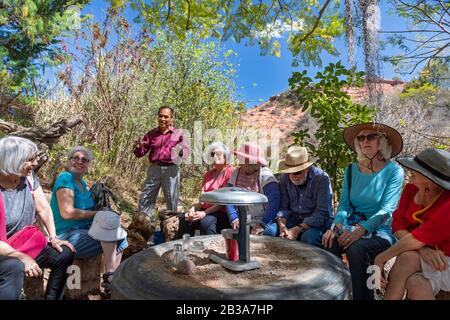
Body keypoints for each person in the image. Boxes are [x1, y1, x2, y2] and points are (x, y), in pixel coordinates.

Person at [321, 122, 404, 300]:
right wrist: (335, 227)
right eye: (361, 138)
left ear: (382, 141)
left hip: (381, 231)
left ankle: (364, 296)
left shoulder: (394, 171)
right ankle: (337, 293)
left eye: (371, 137)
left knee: (357, 249)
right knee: (329, 241)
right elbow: (344, 205)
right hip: (351, 225)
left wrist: (361, 231)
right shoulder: (351, 170)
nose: (365, 141)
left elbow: (387, 210)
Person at [0, 136, 75, 300]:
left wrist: (54, 237)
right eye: (30, 159)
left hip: (25, 242)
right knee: (14, 266)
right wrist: (20, 256)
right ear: (13, 160)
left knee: (64, 253)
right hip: (4, 249)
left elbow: (43, 208)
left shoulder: (29, 178)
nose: (35, 163)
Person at [50, 146, 128, 296]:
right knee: (109, 230)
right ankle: (110, 277)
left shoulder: (84, 184)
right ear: (68, 161)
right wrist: (97, 214)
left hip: (84, 231)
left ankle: (110, 278)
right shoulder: (65, 178)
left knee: (122, 236)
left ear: (88, 165)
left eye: (84, 160)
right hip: (66, 235)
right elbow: (67, 213)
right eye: (75, 158)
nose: (80, 162)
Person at [374, 148, 450, 300]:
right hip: (428, 257)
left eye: (415, 172)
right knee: (416, 283)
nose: (409, 175)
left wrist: (379, 259)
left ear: (430, 180)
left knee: (407, 258)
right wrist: (423, 249)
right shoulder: (411, 189)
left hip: (445, 260)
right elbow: (397, 225)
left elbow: (419, 238)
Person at [264, 145, 333, 247]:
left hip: (316, 223)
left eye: (297, 172)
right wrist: (282, 225)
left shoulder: (321, 178)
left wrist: (299, 229)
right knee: (270, 232)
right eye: (289, 172)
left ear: (307, 168)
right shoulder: (284, 178)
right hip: (294, 219)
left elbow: (322, 213)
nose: (292, 176)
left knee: (308, 238)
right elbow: (284, 207)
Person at [133, 106, 190, 217]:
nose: (163, 119)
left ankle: (171, 229)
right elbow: (140, 153)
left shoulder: (178, 134)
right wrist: (138, 147)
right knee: (145, 198)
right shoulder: (151, 134)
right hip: (154, 169)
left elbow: (186, 153)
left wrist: (181, 151)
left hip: (171, 171)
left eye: (166, 116)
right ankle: (143, 228)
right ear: (157, 117)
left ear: (171, 119)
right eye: (160, 116)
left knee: (171, 202)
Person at [179, 142, 235, 236]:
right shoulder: (208, 175)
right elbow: (202, 199)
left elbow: (223, 202)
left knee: (206, 222)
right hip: (206, 209)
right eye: (213, 154)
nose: (215, 156)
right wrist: (192, 209)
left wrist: (204, 213)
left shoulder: (231, 172)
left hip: (223, 211)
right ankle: (185, 247)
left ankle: (209, 249)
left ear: (226, 156)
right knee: (184, 219)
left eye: (219, 154)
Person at [226, 142, 280, 235]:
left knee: (269, 232)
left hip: (265, 219)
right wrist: (234, 217)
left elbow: (274, 202)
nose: (241, 163)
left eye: (244, 160)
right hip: (243, 218)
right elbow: (229, 196)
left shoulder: (265, 176)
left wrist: (262, 224)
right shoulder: (236, 173)